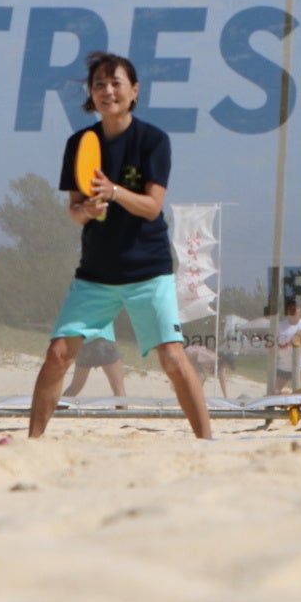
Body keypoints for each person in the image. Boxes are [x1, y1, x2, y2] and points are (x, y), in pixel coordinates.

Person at [28, 51, 213, 439]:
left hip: (149, 271)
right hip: (96, 275)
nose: (107, 91)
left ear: (134, 91)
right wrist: (88, 210)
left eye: (116, 83)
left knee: (173, 358)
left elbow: (152, 207)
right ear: (91, 94)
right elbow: (75, 211)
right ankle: (32, 443)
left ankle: (206, 441)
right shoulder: (80, 143)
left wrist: (114, 192)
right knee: (58, 355)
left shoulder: (153, 140)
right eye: (99, 84)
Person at [61, 336, 128, 398]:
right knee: (119, 388)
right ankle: (122, 407)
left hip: (84, 344)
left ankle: (59, 406)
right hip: (105, 340)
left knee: (74, 387)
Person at [275, 298, 301, 392]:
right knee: (275, 391)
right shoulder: (280, 326)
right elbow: (274, 344)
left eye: (296, 308)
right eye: (290, 308)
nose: (293, 311)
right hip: (285, 363)